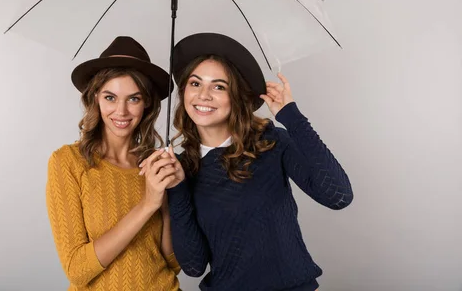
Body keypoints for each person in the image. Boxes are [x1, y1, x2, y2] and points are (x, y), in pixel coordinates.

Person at [140, 33, 354, 290]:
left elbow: (338, 196)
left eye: (219, 86)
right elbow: (194, 266)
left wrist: (293, 118)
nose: (203, 95)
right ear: (184, 91)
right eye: (195, 84)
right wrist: (177, 188)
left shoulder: (271, 142)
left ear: (237, 96)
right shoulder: (182, 169)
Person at [45, 36, 181, 290]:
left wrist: (166, 205)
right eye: (110, 97)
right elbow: (77, 270)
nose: (121, 111)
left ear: (147, 103)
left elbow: (173, 264)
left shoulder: (156, 165)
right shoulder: (68, 162)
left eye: (133, 99)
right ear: (95, 97)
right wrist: (147, 204)